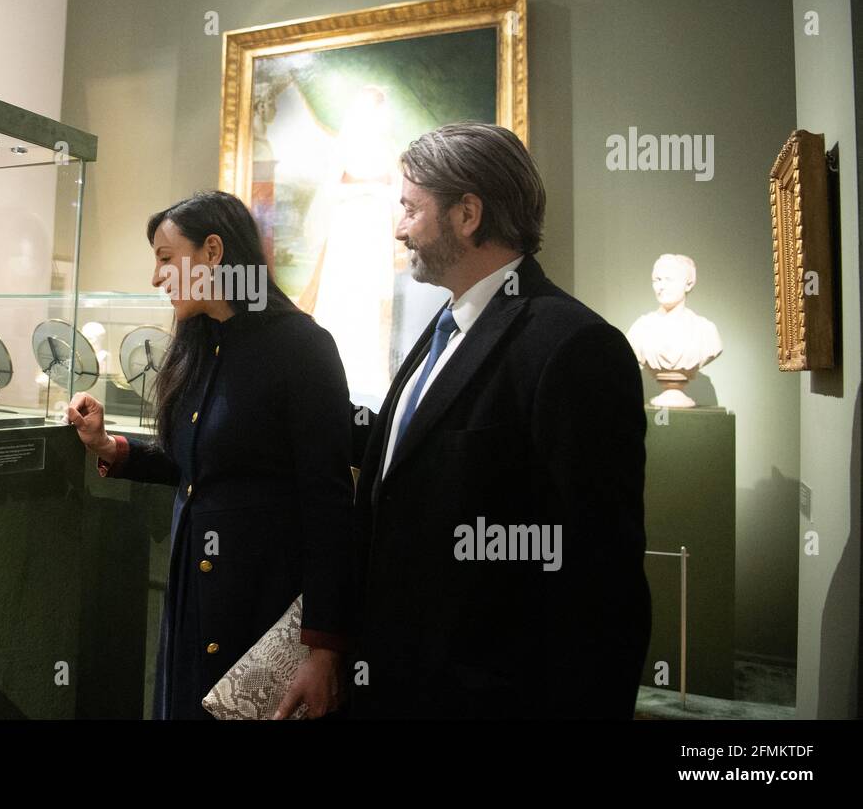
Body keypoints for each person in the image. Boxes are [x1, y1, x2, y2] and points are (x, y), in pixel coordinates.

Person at [349, 123, 651, 719]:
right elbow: (409, 462)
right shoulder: (444, 330)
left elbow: (598, 581)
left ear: (467, 214)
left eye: (411, 208)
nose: (398, 227)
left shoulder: (576, 346)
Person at [67, 190, 354, 720]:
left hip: (260, 607)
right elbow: (196, 465)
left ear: (214, 252)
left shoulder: (302, 346)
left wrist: (324, 647)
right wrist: (110, 448)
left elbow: (329, 503)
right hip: (192, 602)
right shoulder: (197, 343)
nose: (156, 277)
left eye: (164, 258)